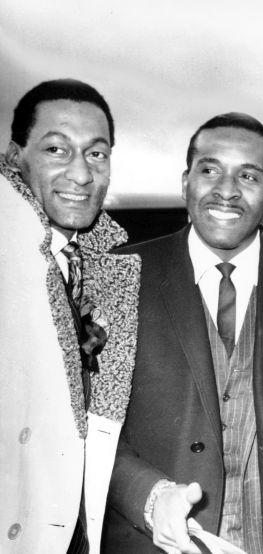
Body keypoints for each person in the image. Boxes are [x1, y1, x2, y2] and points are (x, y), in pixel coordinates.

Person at [104, 113, 263, 554]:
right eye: (209, 170)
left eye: (248, 175)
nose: (226, 189)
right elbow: (91, 434)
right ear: (185, 181)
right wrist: (150, 498)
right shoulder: (119, 274)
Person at [0, 79, 140, 554]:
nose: (81, 174)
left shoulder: (97, 264)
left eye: (96, 154)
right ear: (16, 155)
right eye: (57, 149)